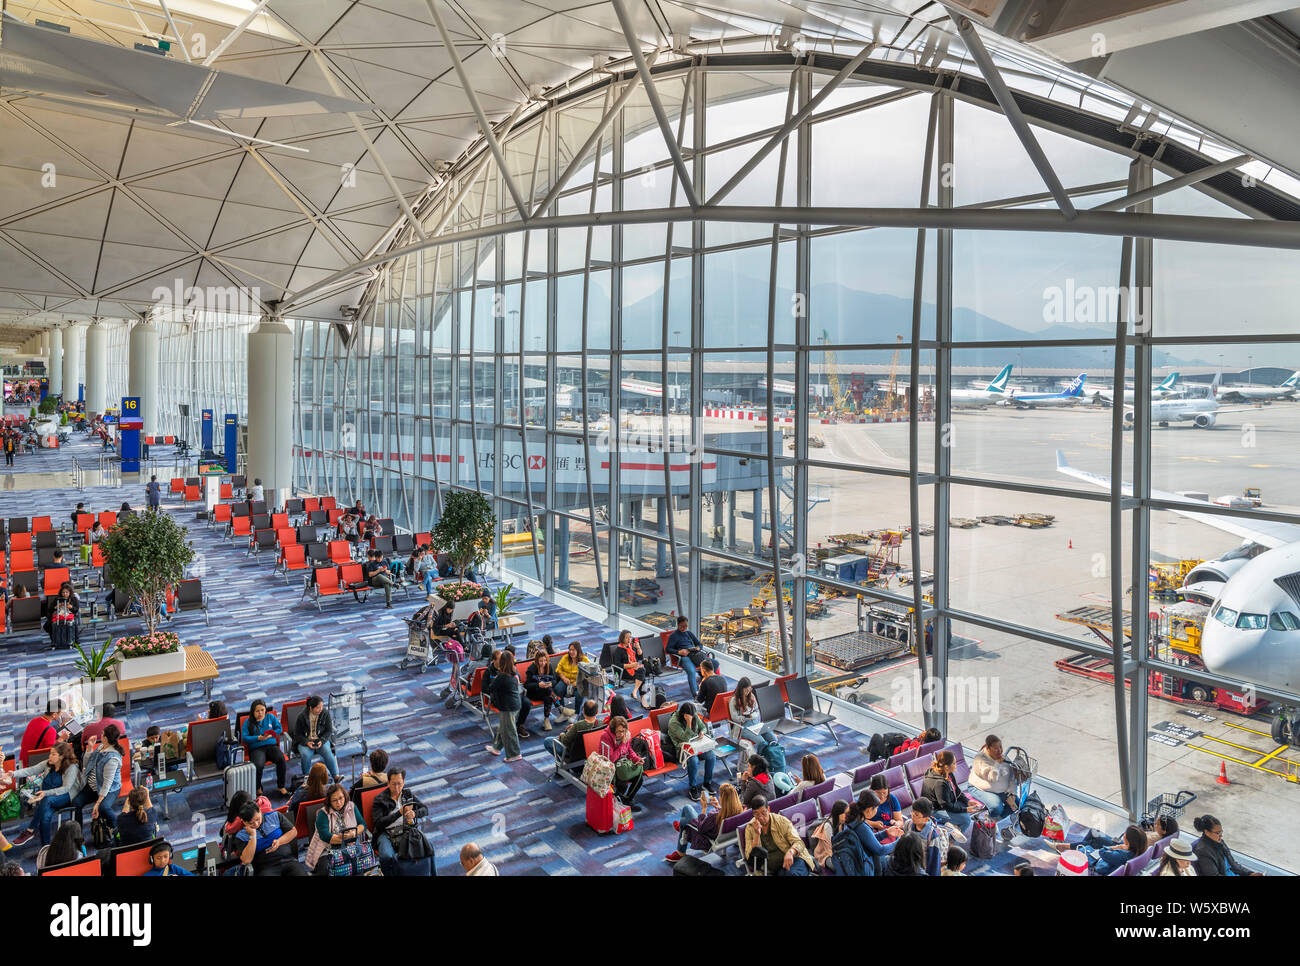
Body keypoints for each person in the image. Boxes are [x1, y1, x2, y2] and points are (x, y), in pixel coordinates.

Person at [7, 741, 79, 847]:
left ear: (61, 756)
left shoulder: (71, 767)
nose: (50, 756)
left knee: (46, 800)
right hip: (45, 798)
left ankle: (30, 830)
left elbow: (66, 788)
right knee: (45, 816)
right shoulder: (48, 763)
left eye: (53, 754)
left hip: (64, 797)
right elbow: (31, 770)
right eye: (50, 753)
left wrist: (45, 793)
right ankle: (45, 848)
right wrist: (13, 774)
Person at [371, 768, 433, 876]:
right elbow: (378, 823)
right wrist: (399, 813)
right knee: (386, 856)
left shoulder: (407, 794)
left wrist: (414, 813)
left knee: (429, 847)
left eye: (399, 784)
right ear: (388, 783)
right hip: (386, 833)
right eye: (393, 784)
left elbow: (425, 809)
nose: (397, 788)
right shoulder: (380, 799)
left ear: (403, 782)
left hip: (406, 830)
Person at [666, 782, 743, 863]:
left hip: (707, 840)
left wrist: (704, 808)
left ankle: (680, 853)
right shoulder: (739, 810)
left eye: (720, 795)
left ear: (723, 798)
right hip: (725, 837)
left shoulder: (715, 816)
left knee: (687, 808)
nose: (719, 797)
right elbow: (725, 814)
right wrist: (718, 807)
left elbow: (700, 828)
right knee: (685, 821)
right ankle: (683, 826)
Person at [71, 724, 124, 835]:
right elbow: (87, 763)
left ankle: (117, 829)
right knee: (76, 803)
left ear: (105, 738)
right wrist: (90, 748)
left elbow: (107, 784)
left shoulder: (112, 758)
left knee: (103, 808)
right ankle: (78, 835)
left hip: (109, 789)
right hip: (93, 786)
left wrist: (98, 803)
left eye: (102, 734)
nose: (100, 735)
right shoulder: (101, 747)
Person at [741, 794, 814, 876]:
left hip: (794, 859)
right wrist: (757, 835)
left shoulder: (781, 821)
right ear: (753, 814)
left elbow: (799, 843)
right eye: (756, 814)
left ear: (768, 809)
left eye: (763, 813)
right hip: (773, 869)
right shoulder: (750, 828)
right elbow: (751, 858)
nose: (760, 817)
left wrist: (791, 852)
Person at [307, 783, 367, 876]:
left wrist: (353, 833)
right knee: (327, 869)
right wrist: (345, 839)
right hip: (328, 849)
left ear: (345, 796)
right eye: (334, 800)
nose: (339, 803)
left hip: (350, 847)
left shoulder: (351, 806)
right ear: (329, 801)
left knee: (358, 867)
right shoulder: (323, 814)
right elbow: (325, 836)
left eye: (341, 798)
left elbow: (362, 825)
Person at [234, 801, 307, 876]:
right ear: (243, 822)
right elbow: (246, 860)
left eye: (257, 819)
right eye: (251, 823)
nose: (256, 824)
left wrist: (279, 841)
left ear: (260, 810)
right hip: (266, 867)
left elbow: (293, 832)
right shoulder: (241, 836)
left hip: (288, 860)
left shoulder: (275, 816)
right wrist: (253, 835)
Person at [920, 750, 980, 836]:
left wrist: (967, 801)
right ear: (947, 767)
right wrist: (965, 809)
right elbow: (946, 805)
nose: (956, 765)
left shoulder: (948, 774)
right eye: (954, 763)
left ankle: (953, 827)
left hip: (946, 803)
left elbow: (957, 791)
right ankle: (951, 842)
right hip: (934, 810)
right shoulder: (939, 783)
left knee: (970, 807)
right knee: (966, 820)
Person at [666, 702, 715, 800]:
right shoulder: (673, 723)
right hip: (682, 748)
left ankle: (707, 783)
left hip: (696, 744)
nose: (694, 717)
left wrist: (702, 732)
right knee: (693, 760)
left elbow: (703, 727)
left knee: (711, 755)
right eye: (691, 716)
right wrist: (689, 723)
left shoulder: (693, 714)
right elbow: (685, 739)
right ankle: (693, 787)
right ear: (684, 715)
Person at [242, 699, 289, 796]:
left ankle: (281, 786)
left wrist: (271, 735)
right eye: (257, 711)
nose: (260, 713)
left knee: (281, 759)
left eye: (262, 710)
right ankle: (258, 787)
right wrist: (258, 738)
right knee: (258, 765)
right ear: (253, 712)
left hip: (271, 746)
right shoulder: (248, 722)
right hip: (257, 748)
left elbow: (279, 728)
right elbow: (245, 738)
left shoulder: (270, 717)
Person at [844, 791, 899, 874]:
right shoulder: (860, 826)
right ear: (870, 809)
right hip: (869, 867)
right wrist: (899, 842)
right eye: (876, 808)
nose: (877, 810)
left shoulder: (855, 819)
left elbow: (868, 839)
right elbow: (880, 850)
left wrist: (886, 832)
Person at [485, 650, 526, 761]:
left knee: (509, 731)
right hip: (515, 704)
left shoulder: (502, 676)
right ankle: (496, 748)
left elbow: (491, 687)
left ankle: (514, 754)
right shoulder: (514, 672)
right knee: (503, 727)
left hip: (507, 707)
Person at [598, 715, 645, 809]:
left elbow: (629, 750)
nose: (621, 734)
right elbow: (610, 759)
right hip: (608, 767)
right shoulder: (606, 736)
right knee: (622, 784)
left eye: (623, 731)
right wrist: (622, 744)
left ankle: (626, 800)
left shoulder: (626, 734)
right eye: (619, 731)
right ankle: (617, 804)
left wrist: (636, 759)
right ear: (613, 730)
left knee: (639, 779)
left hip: (622, 764)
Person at [1191, 814, 1260, 876]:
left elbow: (1233, 864)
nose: (1221, 835)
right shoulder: (1203, 851)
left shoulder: (1220, 842)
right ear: (1207, 832)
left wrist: (1250, 873)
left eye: (1221, 832)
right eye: (1217, 833)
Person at [292, 694, 340, 781]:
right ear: (311, 708)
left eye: (322, 706)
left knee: (327, 752)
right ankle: (307, 778)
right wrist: (306, 742)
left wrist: (322, 740)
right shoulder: (301, 717)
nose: (320, 709)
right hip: (305, 742)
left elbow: (329, 730)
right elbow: (297, 734)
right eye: (318, 707)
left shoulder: (325, 713)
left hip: (321, 740)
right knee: (306, 755)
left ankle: (335, 776)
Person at [968, 735, 1016, 819]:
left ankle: (997, 821)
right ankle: (986, 820)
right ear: (988, 748)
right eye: (996, 748)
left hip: (998, 789)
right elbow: (992, 778)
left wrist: (1012, 793)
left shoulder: (1002, 757)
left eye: (1000, 747)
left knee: (1016, 805)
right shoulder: (980, 759)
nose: (1000, 750)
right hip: (978, 788)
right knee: (997, 807)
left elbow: (1011, 777)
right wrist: (997, 763)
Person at [545, 699, 603, 765]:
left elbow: (565, 741)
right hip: (592, 753)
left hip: (575, 755)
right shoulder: (601, 723)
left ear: (583, 710)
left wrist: (562, 735)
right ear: (597, 711)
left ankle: (563, 764)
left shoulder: (578, 726)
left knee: (547, 741)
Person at [901, 797, 948, 876]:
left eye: (916, 814)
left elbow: (934, 861)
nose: (912, 815)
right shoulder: (908, 824)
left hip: (922, 869)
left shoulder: (932, 835)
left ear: (926, 819)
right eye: (912, 811)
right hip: (908, 865)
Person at [728, 677, 775, 747]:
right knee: (762, 743)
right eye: (746, 690)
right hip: (743, 727)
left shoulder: (751, 696)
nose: (748, 692)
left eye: (749, 690)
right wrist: (748, 717)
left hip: (755, 723)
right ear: (741, 689)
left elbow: (757, 709)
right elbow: (734, 718)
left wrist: (754, 715)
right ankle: (762, 757)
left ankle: (772, 754)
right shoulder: (734, 700)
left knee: (773, 739)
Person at [666, 615, 706, 695]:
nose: (684, 628)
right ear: (678, 625)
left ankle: (709, 686)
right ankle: (695, 694)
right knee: (691, 671)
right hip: (684, 657)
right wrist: (679, 652)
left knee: (714, 664)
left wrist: (698, 648)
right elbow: (668, 649)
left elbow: (699, 644)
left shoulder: (689, 633)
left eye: (686, 626)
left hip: (695, 654)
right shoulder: (674, 636)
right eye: (682, 626)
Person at [524, 650, 558, 732]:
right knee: (548, 691)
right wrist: (538, 685)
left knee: (548, 696)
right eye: (541, 661)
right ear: (536, 661)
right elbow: (526, 685)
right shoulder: (531, 668)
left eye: (545, 660)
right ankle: (560, 708)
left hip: (546, 692)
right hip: (534, 693)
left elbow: (554, 680)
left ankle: (546, 720)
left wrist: (551, 683)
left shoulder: (548, 666)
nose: (543, 663)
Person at [44, 582, 79, 649]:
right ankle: (54, 640)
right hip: (58, 616)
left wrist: (71, 607)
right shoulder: (57, 599)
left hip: (69, 616)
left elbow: (76, 610)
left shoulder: (74, 599)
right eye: (63, 592)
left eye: (66, 592)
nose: (65, 594)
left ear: (70, 593)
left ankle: (74, 640)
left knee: (73, 624)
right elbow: (50, 610)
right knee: (48, 625)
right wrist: (56, 607)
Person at [553, 641, 584, 717]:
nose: (571, 652)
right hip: (566, 681)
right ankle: (563, 713)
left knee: (579, 694)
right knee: (557, 689)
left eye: (573, 650)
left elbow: (588, 674)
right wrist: (563, 678)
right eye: (570, 650)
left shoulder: (584, 659)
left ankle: (577, 714)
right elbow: (558, 669)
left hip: (578, 682)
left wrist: (578, 682)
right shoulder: (565, 657)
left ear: (578, 650)